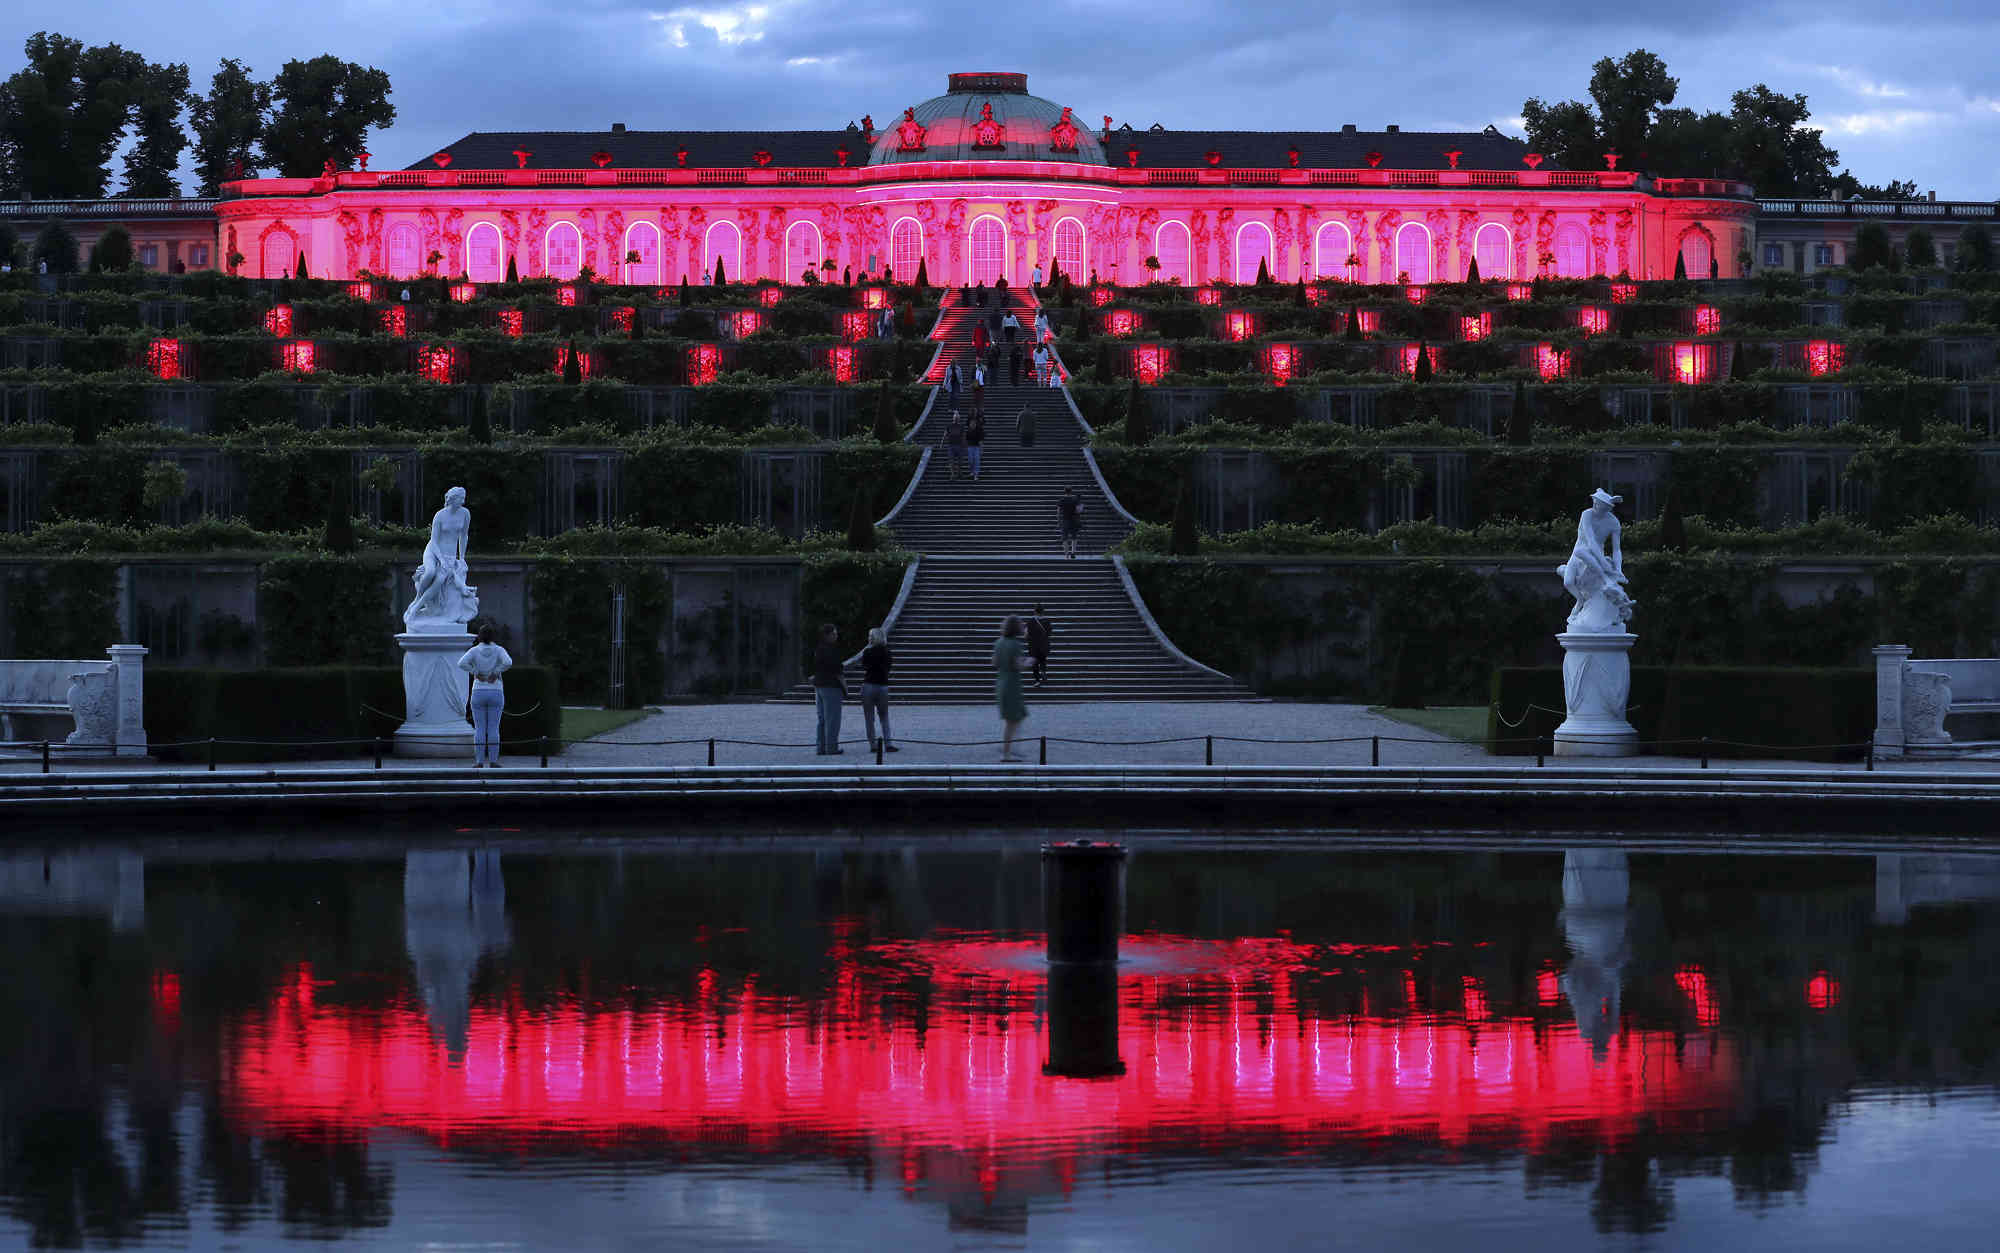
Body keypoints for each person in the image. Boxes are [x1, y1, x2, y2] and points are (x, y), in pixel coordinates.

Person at [1559, 488, 1636, 632]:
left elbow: (1616, 549)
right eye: (1594, 502)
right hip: (1579, 553)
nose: (1594, 505)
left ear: (1607, 507)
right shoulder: (1586, 515)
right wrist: (1605, 563)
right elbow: (1590, 540)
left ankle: (1605, 582)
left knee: (1590, 561)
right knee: (1568, 582)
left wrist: (1618, 569)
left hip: (1595, 556)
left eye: (1598, 504)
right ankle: (1580, 599)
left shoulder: (1614, 523)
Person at [405, 486, 478, 628]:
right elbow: (434, 541)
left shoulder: (465, 514)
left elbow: (463, 536)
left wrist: (461, 558)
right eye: (460, 499)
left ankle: (417, 607)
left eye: (464, 499)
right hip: (433, 551)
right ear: (452, 499)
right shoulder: (440, 515)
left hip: (449, 555)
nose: (463, 502)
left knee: (439, 580)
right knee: (431, 572)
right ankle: (417, 599)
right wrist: (442, 560)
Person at [456, 626, 513, 767]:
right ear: (493, 636)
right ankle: (493, 761)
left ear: (479, 637)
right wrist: (496, 671)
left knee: (479, 728)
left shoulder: (474, 651)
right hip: (496, 691)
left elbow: (461, 663)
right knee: (494, 728)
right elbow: (508, 662)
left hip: (478, 691)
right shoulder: (499, 650)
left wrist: (475, 671)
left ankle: (479, 761)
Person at [994, 616, 1029, 761]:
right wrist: (1029, 662)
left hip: (1002, 682)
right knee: (1012, 721)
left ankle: (1012, 747)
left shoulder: (999, 642)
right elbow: (1017, 666)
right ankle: (1007, 753)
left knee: (1018, 717)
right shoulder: (1015, 644)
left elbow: (994, 662)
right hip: (1012, 685)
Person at [810, 623, 846, 754]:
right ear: (828, 635)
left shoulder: (819, 648)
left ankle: (821, 747)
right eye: (834, 633)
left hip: (819, 685)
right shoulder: (832, 649)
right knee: (832, 719)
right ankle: (831, 747)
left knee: (822, 719)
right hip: (831, 685)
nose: (836, 635)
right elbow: (838, 668)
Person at [860, 627, 897, 754]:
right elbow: (888, 668)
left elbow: (864, 666)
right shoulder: (887, 652)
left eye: (870, 636)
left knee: (869, 717)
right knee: (884, 716)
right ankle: (888, 743)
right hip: (882, 686)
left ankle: (873, 745)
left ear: (874, 638)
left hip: (869, 685)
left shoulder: (867, 652)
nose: (868, 638)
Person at [1025, 604, 1052, 688]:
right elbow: (1049, 633)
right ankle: (1043, 671)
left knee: (1035, 663)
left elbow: (1026, 634)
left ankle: (1037, 680)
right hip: (1043, 645)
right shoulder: (1047, 621)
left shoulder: (1030, 621)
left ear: (1035, 611)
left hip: (1033, 646)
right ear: (1043, 612)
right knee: (1043, 660)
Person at [1057, 486, 1085, 558]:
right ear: (1071, 491)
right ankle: (1073, 552)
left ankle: (1066, 554)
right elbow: (1079, 511)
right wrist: (1081, 506)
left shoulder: (1062, 500)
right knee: (1074, 537)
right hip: (1074, 520)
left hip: (1065, 520)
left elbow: (1058, 511)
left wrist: (1058, 520)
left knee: (1065, 538)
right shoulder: (1075, 500)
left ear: (1064, 491)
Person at [943, 410, 968, 479]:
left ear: (959, 419)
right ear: (953, 418)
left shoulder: (961, 426)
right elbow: (945, 434)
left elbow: (964, 435)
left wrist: (965, 444)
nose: (956, 419)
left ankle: (959, 473)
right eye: (955, 418)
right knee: (952, 460)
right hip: (951, 445)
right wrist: (942, 443)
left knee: (960, 461)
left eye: (957, 418)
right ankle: (953, 474)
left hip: (959, 445)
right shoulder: (949, 426)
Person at [965, 410, 985, 481]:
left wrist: (981, 449)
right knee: (970, 460)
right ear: (970, 424)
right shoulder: (968, 431)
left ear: (975, 424)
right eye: (971, 423)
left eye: (974, 423)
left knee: (976, 461)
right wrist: (965, 448)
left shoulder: (978, 430)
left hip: (976, 447)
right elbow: (966, 440)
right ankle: (972, 471)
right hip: (970, 447)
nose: (972, 424)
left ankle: (976, 474)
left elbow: (981, 440)